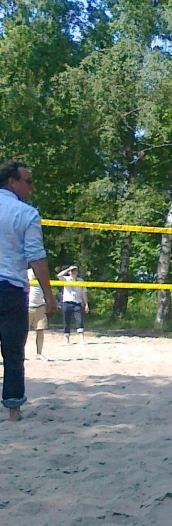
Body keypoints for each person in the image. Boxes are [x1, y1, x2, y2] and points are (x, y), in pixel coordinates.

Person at [0, 161, 57, 421]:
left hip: (11, 286)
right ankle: (13, 409)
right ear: (12, 182)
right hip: (11, 287)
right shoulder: (26, 213)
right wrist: (49, 295)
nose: (32, 186)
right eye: (28, 181)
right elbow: (37, 257)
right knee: (13, 350)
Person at [57, 265, 89, 345]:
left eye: (75, 271)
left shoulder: (80, 281)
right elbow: (58, 275)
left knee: (79, 321)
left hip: (77, 303)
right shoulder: (66, 279)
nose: (74, 272)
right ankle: (67, 339)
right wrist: (68, 269)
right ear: (69, 272)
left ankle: (81, 339)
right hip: (67, 302)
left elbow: (83, 293)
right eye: (72, 271)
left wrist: (86, 304)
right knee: (66, 321)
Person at [27, 268, 49, 361]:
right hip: (28, 307)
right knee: (23, 332)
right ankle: (20, 353)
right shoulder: (27, 272)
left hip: (40, 306)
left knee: (40, 331)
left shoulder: (42, 271)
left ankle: (39, 353)